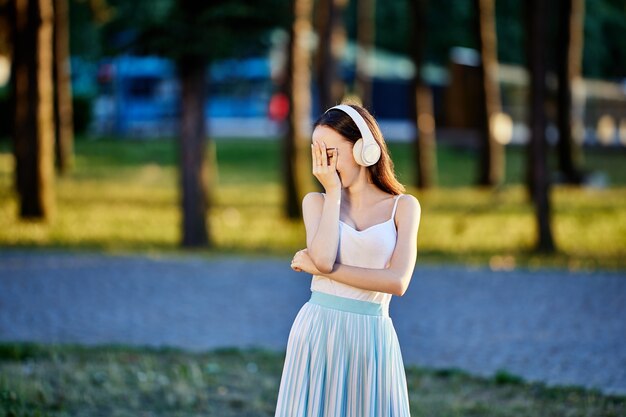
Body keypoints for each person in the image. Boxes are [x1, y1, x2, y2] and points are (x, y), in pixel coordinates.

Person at [274, 103, 421, 417]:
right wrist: (333, 192)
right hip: (317, 331)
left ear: (364, 149)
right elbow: (324, 260)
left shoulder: (404, 207)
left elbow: (397, 282)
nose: (323, 164)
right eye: (317, 153)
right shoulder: (316, 202)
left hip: (372, 335)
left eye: (330, 152)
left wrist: (321, 269)